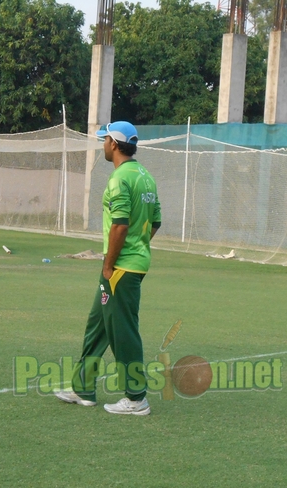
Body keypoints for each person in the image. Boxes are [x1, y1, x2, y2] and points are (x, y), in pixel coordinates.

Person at [55, 121, 161, 415]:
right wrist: (139, 246)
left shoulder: (119, 179)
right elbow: (156, 222)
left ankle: (137, 398)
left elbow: (119, 225)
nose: (102, 144)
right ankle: (83, 389)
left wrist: (109, 263)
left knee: (123, 332)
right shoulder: (146, 177)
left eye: (104, 140)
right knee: (97, 327)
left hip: (120, 270)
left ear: (114, 144)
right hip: (132, 263)